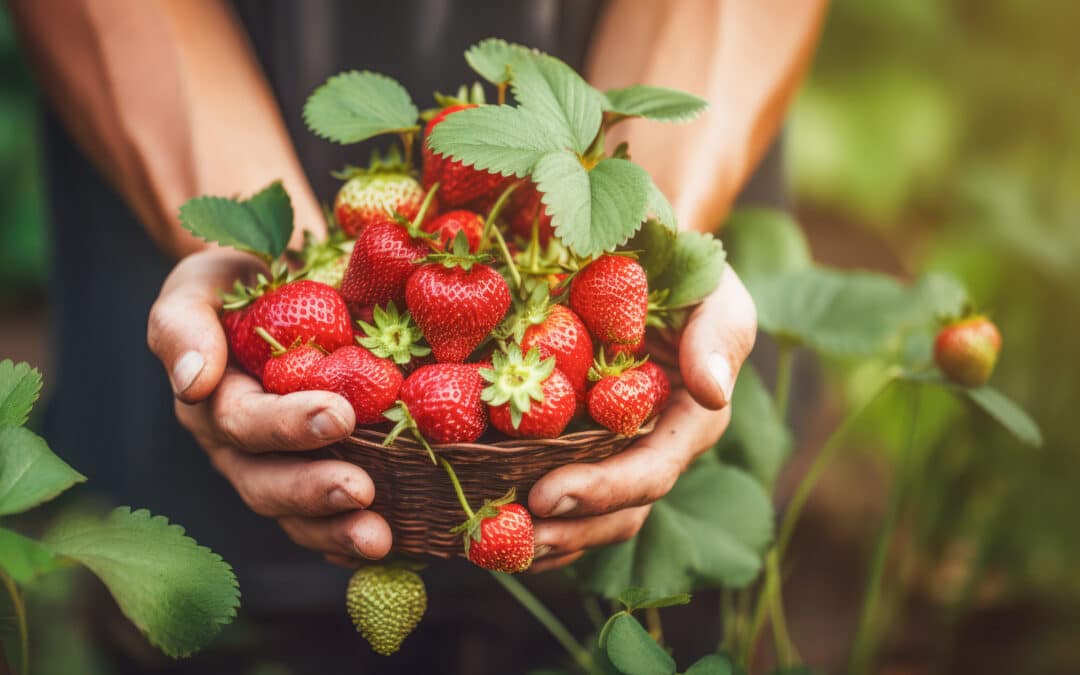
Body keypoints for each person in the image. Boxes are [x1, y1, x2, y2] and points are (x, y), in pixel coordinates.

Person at [10, 1, 826, 672]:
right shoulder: (397, 294)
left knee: (634, 614)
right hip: (174, 126)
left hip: (649, 99)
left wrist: (636, 235)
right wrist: (260, 259)